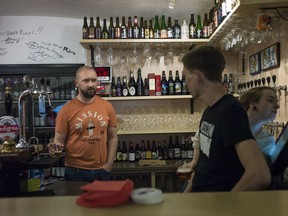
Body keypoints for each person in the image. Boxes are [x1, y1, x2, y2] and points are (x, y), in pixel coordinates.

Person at [181, 46, 271, 192]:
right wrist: (186, 196)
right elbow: (204, 164)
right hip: (199, 203)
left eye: (186, 76)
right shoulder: (210, 110)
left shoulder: (230, 111)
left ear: (197, 75)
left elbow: (260, 174)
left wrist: (227, 207)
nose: (185, 82)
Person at [183, 86, 279, 192]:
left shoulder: (268, 141)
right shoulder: (228, 120)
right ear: (252, 104)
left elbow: (258, 175)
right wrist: (195, 161)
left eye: (277, 101)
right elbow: (200, 137)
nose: (277, 106)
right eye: (270, 100)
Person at [48, 66, 118, 182]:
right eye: (86, 81)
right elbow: (58, 142)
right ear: (77, 83)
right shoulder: (66, 110)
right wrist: (54, 150)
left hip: (102, 170)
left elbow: (113, 137)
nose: (90, 84)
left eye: (93, 80)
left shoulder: (107, 106)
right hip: (75, 171)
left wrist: (109, 163)